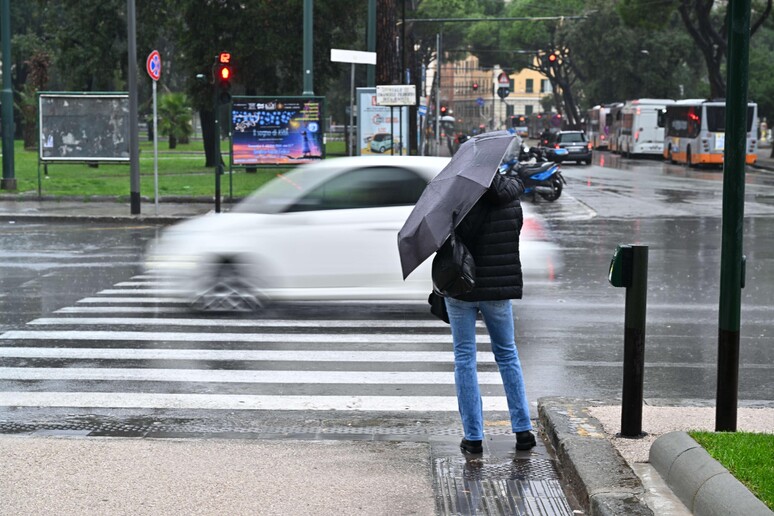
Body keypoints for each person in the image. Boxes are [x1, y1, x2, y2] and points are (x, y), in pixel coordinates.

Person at [445, 160, 535, 456]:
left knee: (465, 358)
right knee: (507, 354)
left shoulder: (460, 197)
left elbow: (448, 242)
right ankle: (523, 431)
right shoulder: (511, 196)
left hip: (462, 287)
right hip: (498, 288)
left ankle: (473, 437)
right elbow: (513, 237)